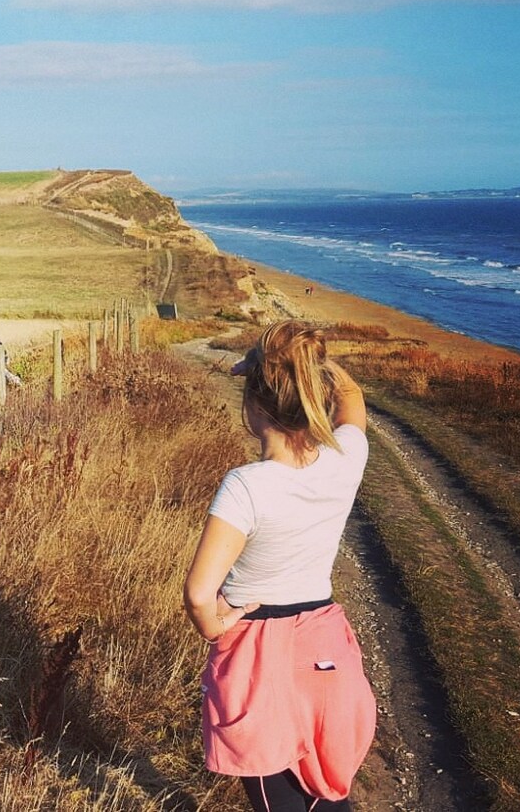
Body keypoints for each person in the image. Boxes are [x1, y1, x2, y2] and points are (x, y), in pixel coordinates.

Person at [184, 320, 375, 811]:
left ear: (252, 405)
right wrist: (306, 365)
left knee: (278, 796)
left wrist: (215, 626)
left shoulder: (247, 486)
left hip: (259, 650)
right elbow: (352, 399)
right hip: (326, 640)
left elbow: (200, 594)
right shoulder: (345, 459)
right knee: (322, 783)